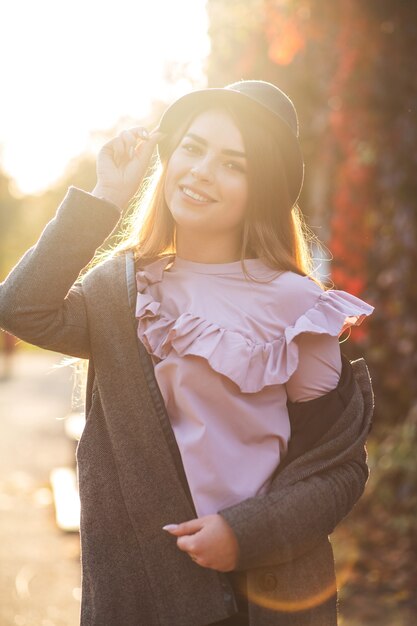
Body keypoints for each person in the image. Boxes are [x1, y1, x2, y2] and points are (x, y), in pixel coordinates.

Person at [0, 80, 374, 626]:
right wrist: (105, 196)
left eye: (233, 163)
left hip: (260, 597)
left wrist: (243, 534)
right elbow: (21, 306)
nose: (201, 170)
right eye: (193, 148)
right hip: (142, 596)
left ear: (261, 187)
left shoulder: (300, 303)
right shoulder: (123, 291)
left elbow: (338, 471)